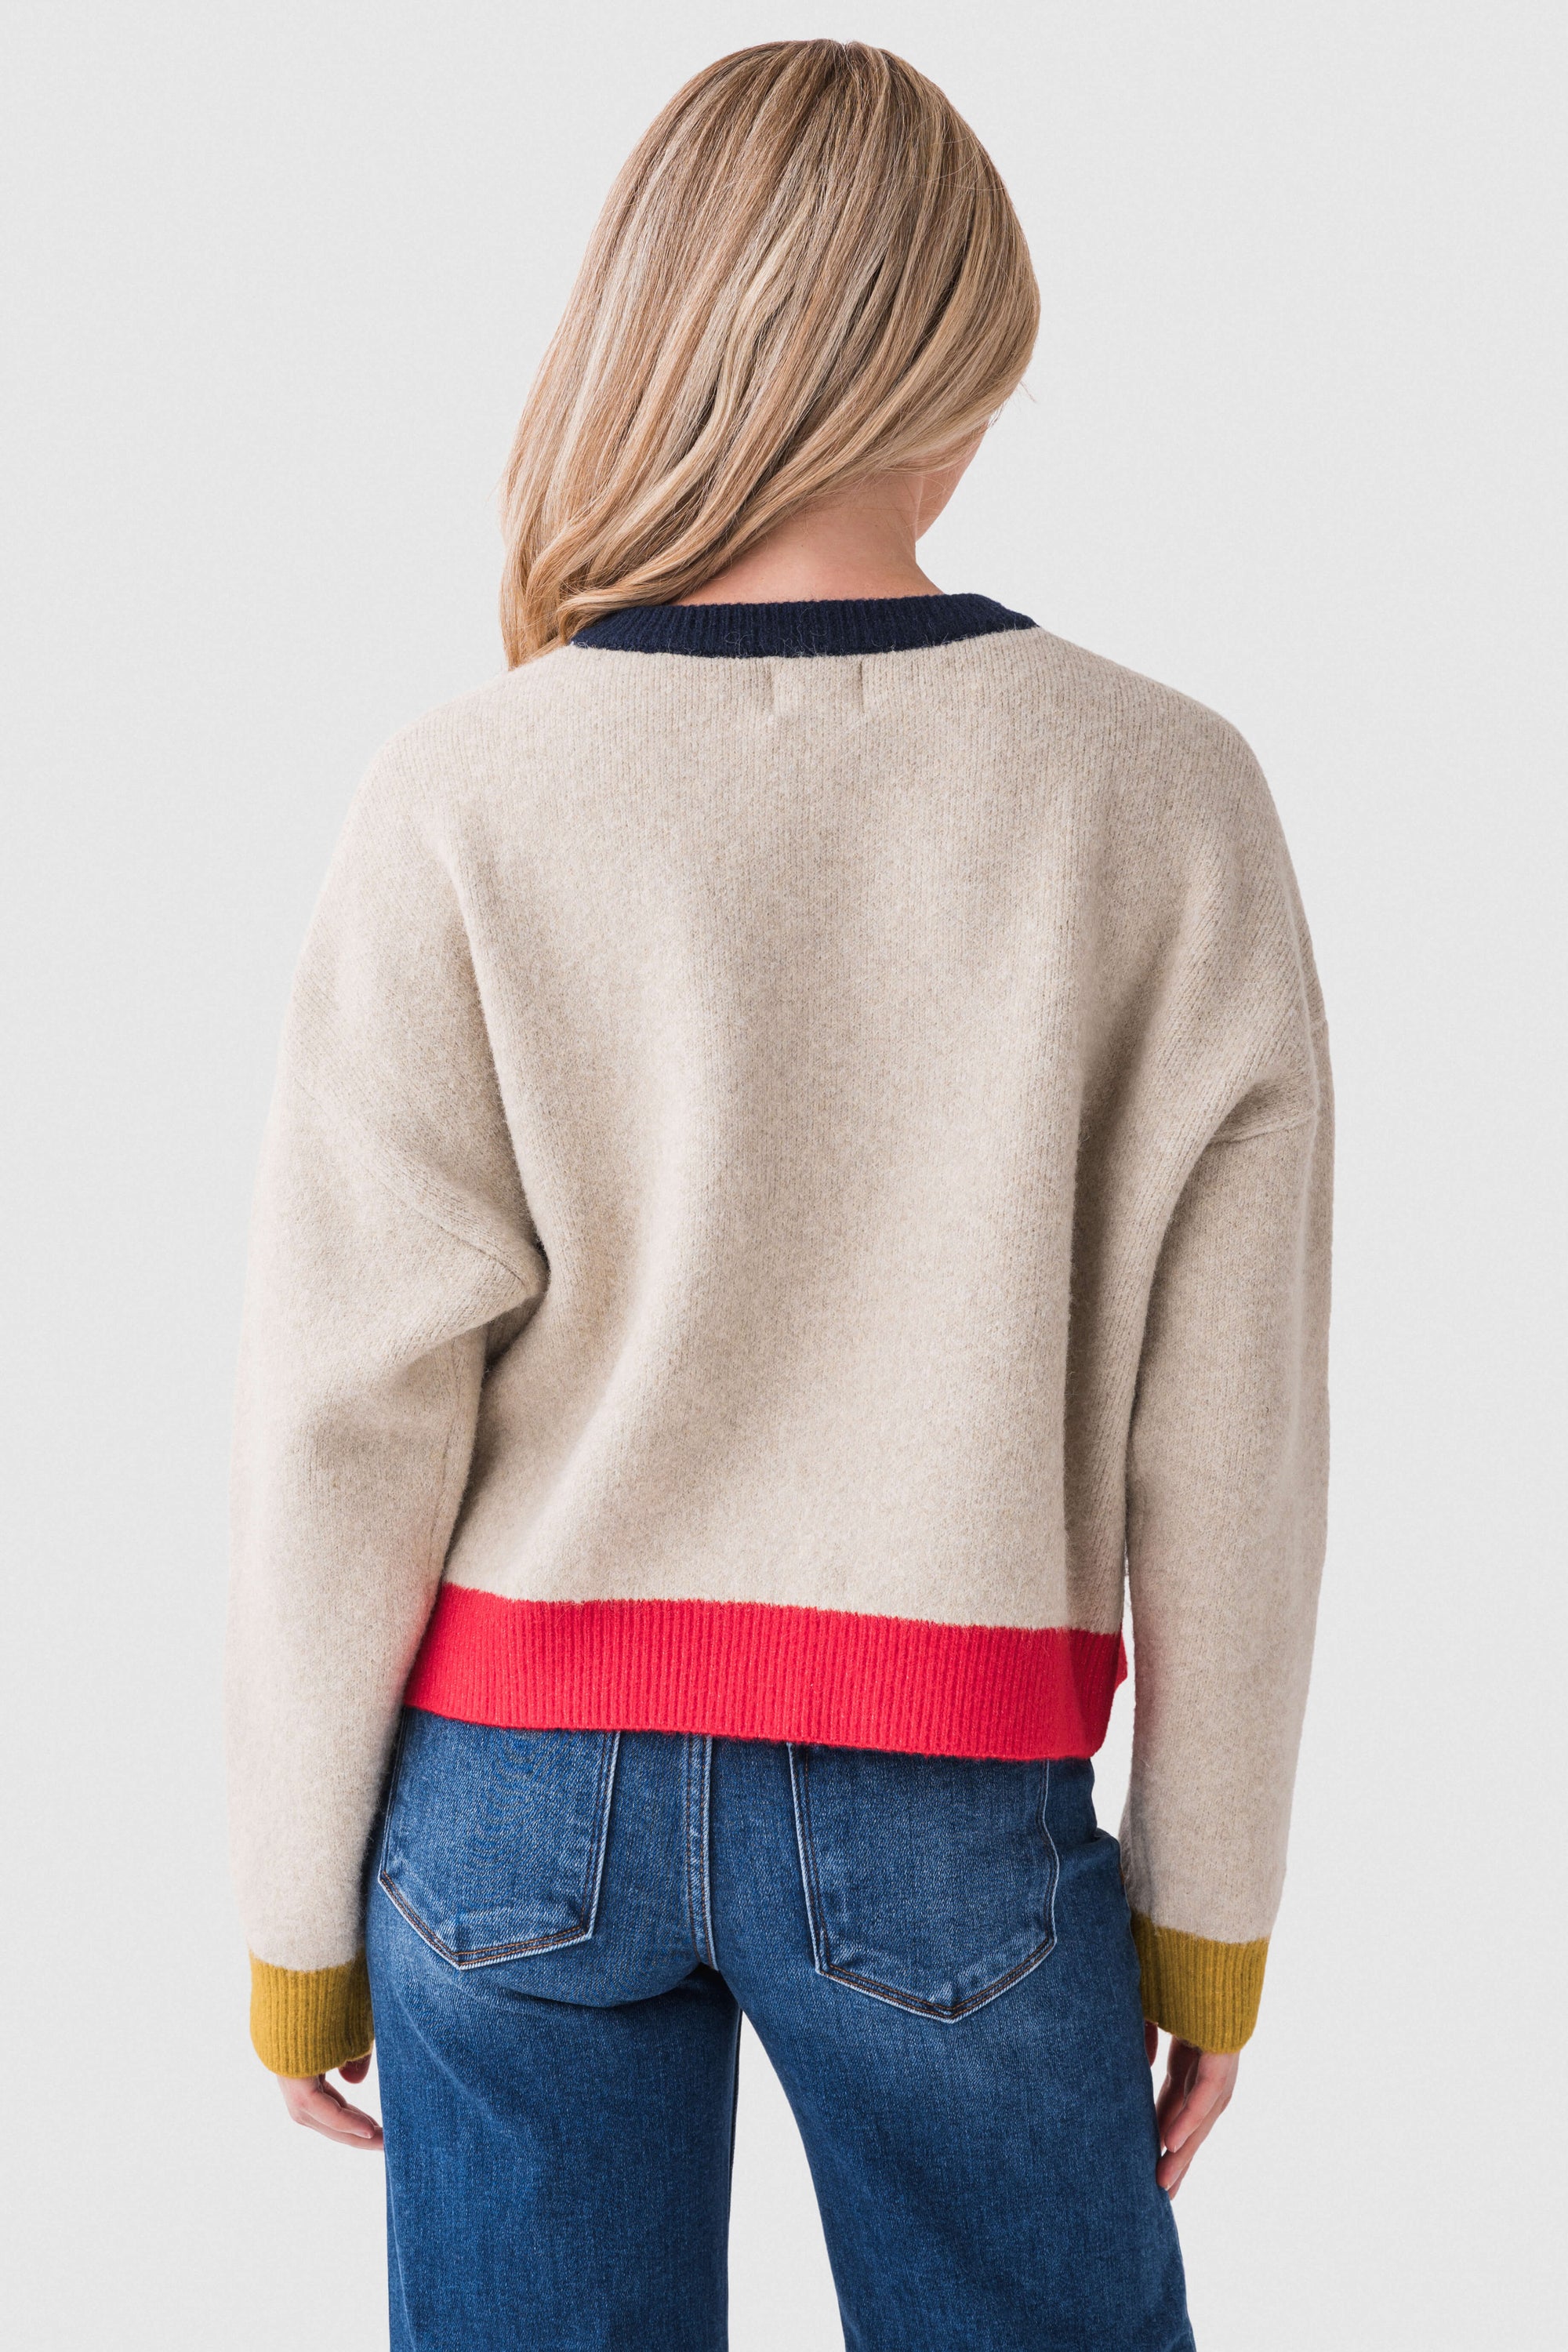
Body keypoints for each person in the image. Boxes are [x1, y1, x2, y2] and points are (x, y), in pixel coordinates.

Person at [227, 38, 1331, 2352]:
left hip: (511, 1802)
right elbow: (1229, 1431)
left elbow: (348, 1403)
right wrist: (1211, 1916)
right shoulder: (1164, 791)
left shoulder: (462, 791)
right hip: (954, 1800)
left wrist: (292, 1919)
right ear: (966, 357)